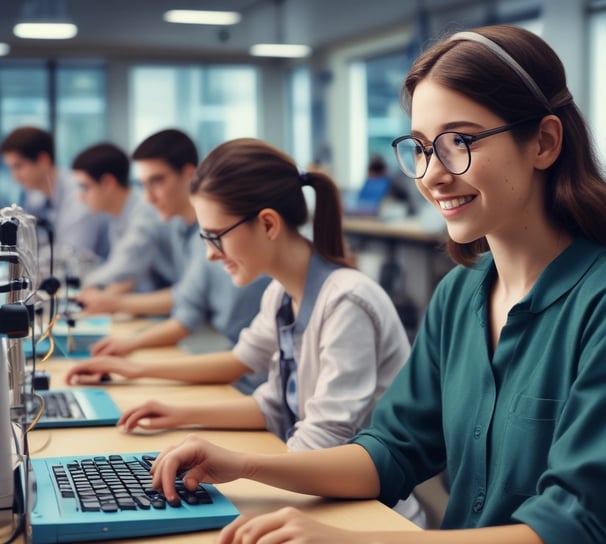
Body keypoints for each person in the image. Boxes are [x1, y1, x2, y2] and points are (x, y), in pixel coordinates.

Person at [146, 25, 606, 544]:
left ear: (543, 142)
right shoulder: (459, 296)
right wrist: (241, 464)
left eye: (459, 142)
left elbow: (576, 524)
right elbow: (393, 449)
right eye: (422, 148)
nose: (431, 174)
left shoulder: (597, 305)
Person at [65, 136, 424, 522]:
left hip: (369, 515)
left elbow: (322, 442)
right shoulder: (281, 295)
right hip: (319, 500)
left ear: (268, 223)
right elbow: (272, 406)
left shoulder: (345, 302)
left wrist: (238, 466)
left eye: (216, 236)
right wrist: (175, 413)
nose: (209, 254)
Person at [76, 130, 269, 366]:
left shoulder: (215, 234)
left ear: (190, 175)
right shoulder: (177, 227)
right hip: (222, 347)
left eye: (156, 182)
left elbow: (186, 306)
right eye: (143, 185)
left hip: (229, 351)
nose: (148, 198)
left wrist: (132, 349)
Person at [1, 126, 110, 270]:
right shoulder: (36, 196)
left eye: (19, 166)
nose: (15, 177)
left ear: (43, 160)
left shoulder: (80, 194)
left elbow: (70, 255)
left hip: (94, 281)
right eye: (10, 168)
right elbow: (29, 242)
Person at [71, 142, 169, 294]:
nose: (81, 197)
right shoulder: (118, 214)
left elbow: (121, 269)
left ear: (108, 183)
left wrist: (75, 285)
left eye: (85, 187)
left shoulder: (144, 214)